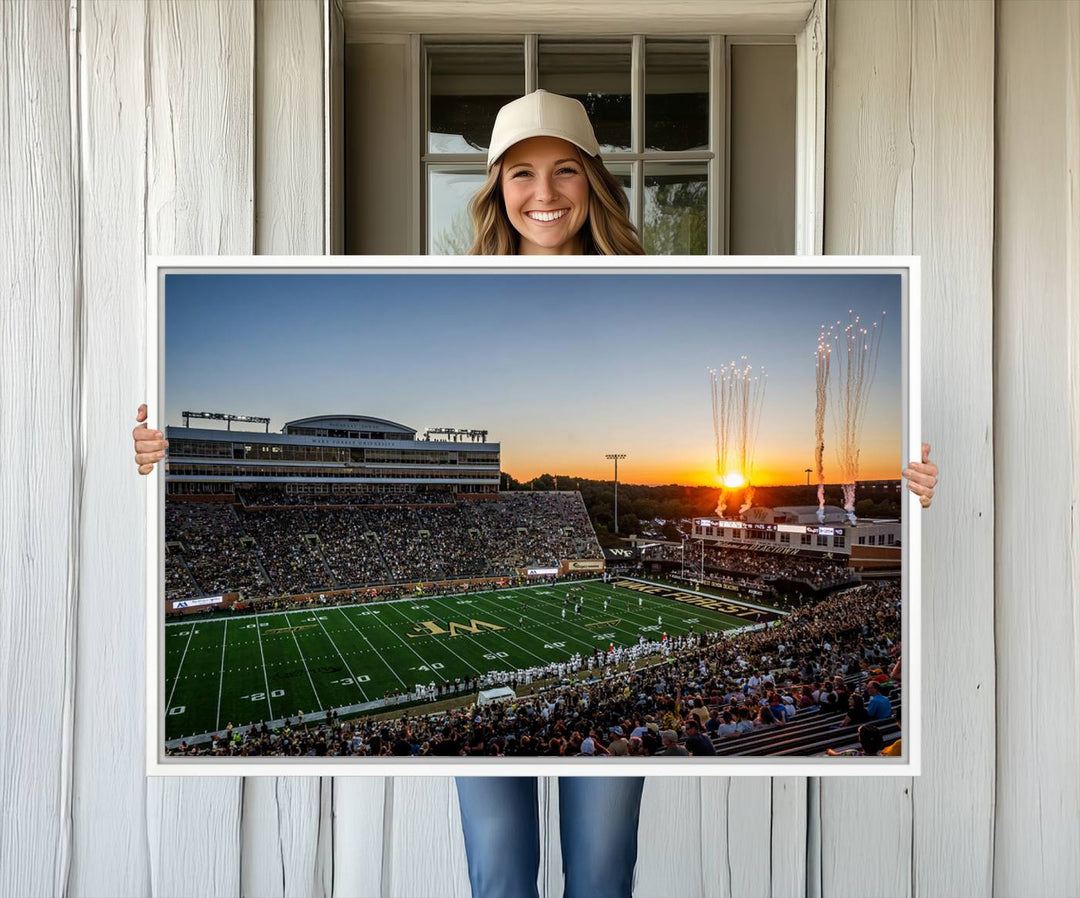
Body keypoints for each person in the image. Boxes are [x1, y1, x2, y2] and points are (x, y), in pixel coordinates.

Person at [132, 88, 939, 898]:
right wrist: (162, 457)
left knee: (599, 871)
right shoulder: (454, 286)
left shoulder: (653, 283)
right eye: (521, 174)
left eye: (564, 171)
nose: (544, 193)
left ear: (593, 180)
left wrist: (907, 490)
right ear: (495, 189)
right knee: (501, 872)